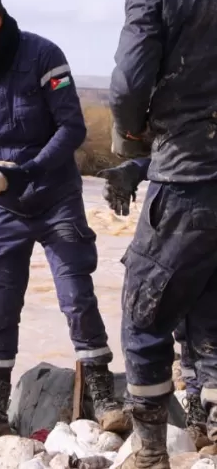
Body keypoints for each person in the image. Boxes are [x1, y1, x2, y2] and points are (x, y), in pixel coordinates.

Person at [0, 0, 130, 451]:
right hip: (2, 205)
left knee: (76, 294)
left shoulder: (44, 56)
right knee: (1, 303)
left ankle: (105, 399)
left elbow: (73, 128)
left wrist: (26, 172)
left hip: (54, 196)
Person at [110, 0, 217, 468]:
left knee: (144, 312)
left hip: (186, 181)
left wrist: (133, 138)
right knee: (209, 304)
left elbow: (127, 85)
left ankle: (152, 451)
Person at [99, 159, 209, 449]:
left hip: (184, 190)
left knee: (145, 319)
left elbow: (180, 136)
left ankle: (151, 452)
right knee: (204, 313)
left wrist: (136, 163)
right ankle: (200, 416)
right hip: (189, 182)